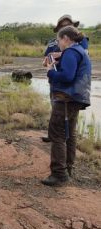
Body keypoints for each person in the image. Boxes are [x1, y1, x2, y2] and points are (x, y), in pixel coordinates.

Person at [42, 26, 91, 186]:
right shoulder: (80, 50)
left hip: (65, 99)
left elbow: (67, 76)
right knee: (69, 134)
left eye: (59, 40)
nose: (58, 43)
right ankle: (67, 169)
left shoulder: (71, 52)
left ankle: (59, 174)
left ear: (66, 39)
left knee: (57, 134)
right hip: (76, 98)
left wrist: (50, 71)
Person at [41, 15, 89, 143]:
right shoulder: (53, 41)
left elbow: (82, 54)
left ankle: (64, 139)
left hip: (72, 84)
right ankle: (55, 136)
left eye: (68, 24)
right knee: (56, 110)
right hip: (55, 79)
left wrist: (60, 54)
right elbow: (46, 57)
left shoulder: (80, 39)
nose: (66, 27)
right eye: (62, 25)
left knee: (70, 116)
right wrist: (47, 62)